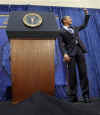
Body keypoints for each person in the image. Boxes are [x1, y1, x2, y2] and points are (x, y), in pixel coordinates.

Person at [59, 8, 90, 103]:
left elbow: (84, 25)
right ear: (64, 21)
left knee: (83, 74)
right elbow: (61, 44)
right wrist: (64, 54)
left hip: (79, 52)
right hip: (70, 54)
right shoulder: (61, 31)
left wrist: (86, 14)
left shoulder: (75, 28)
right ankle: (73, 96)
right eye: (69, 18)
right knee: (72, 76)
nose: (71, 19)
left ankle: (86, 96)